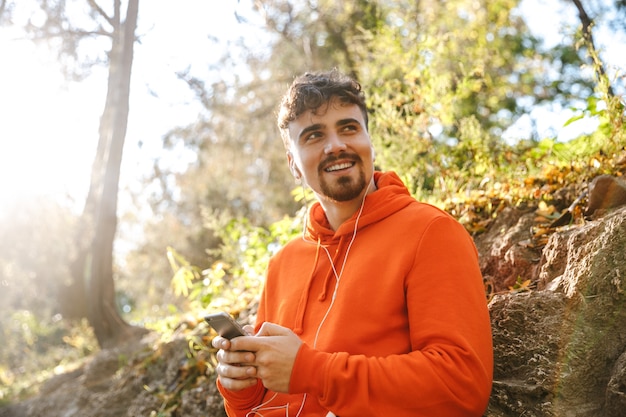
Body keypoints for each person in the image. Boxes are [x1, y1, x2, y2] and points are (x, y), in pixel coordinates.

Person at [211, 69, 493, 417]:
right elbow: (261, 406)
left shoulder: (431, 231)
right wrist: (242, 389)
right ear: (293, 165)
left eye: (349, 128)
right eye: (314, 135)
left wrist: (311, 371)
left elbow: (461, 388)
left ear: (368, 140)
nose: (336, 145)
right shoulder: (283, 262)